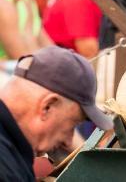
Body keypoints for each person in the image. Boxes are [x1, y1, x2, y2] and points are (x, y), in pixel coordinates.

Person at [0, 47, 112, 180]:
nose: (68, 141)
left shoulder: (12, 152)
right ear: (47, 107)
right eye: (72, 125)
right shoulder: (6, 168)